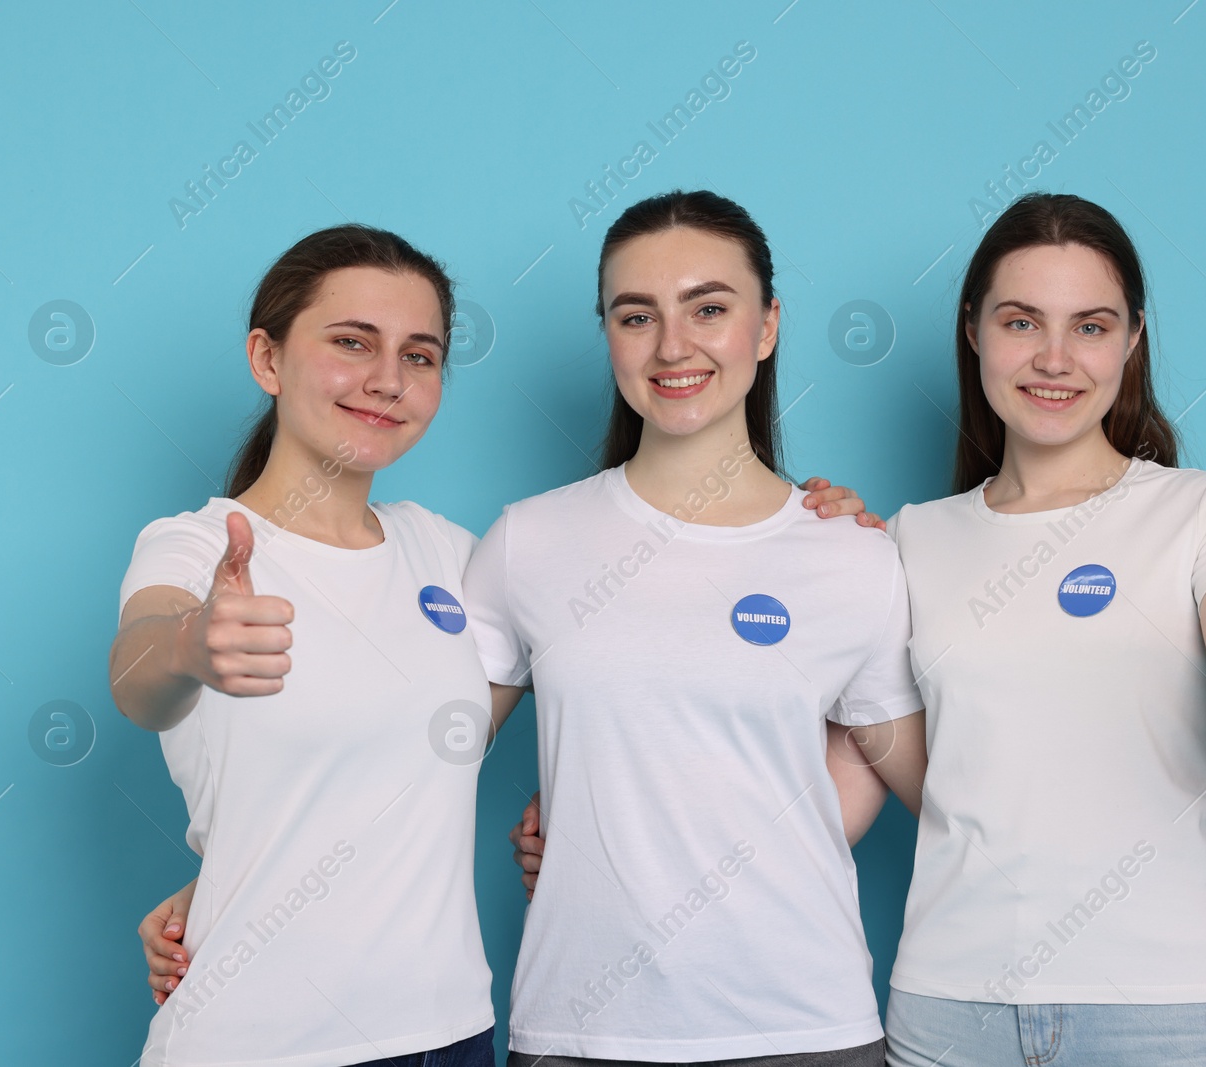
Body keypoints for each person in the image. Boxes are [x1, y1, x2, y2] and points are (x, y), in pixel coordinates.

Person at [120, 222, 874, 1067]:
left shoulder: (452, 554)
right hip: (258, 1042)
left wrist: (812, 531)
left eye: (418, 354)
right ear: (267, 358)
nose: (385, 378)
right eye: (351, 343)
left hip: (453, 1036)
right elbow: (138, 672)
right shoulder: (193, 548)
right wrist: (189, 645)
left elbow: (406, 767)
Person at [877, 192, 1206, 1066]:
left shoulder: (1204, 511)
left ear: (1132, 341)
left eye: (1091, 327)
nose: (1055, 358)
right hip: (953, 1013)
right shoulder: (909, 540)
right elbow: (945, 782)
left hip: (1176, 1014)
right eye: (1022, 322)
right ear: (972, 328)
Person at [465, 188, 929, 1066]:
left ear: (767, 326)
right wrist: (239, 876)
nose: (673, 346)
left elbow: (942, 799)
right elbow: (416, 767)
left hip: (806, 1031)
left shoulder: (854, 558)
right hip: (580, 1031)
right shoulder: (529, 542)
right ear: (607, 333)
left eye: (709, 308)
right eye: (637, 315)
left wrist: (1184, 870)